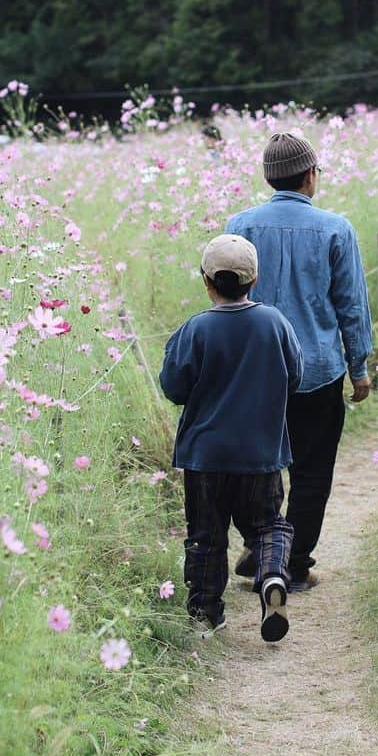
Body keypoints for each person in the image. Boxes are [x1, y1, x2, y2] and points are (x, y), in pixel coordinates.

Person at [226, 132, 372, 592]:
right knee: (311, 472)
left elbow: (227, 297)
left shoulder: (241, 226)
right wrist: (359, 366)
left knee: (256, 465)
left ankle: (260, 544)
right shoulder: (335, 229)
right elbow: (351, 305)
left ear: (269, 177)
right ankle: (293, 563)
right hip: (318, 372)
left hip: (256, 373)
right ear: (310, 175)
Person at [159, 233, 304, 641]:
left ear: (205, 281)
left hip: (204, 457)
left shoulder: (196, 329)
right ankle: (273, 575)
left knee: (206, 537)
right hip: (260, 454)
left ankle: (206, 616)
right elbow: (296, 376)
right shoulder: (274, 322)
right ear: (254, 279)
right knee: (268, 526)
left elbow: (173, 387)